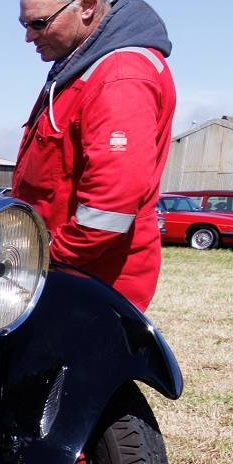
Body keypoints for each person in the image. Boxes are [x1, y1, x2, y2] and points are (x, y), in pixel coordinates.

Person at [11, 0, 175, 312]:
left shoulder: (121, 76)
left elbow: (111, 203)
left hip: (88, 285)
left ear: (86, 6)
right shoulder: (84, 70)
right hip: (66, 277)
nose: (29, 37)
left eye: (39, 23)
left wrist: (52, 262)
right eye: (25, 25)